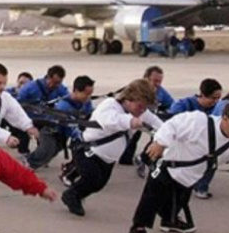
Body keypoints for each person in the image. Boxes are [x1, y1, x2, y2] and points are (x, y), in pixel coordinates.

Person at [128, 99, 229, 233]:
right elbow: (172, 125)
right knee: (152, 197)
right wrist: (161, 143)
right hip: (168, 166)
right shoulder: (199, 122)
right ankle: (138, 228)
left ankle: (169, 221)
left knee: (174, 205)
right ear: (225, 118)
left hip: (190, 178)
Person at [61, 79, 163, 217]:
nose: (142, 111)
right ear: (129, 98)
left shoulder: (141, 112)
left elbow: (158, 124)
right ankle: (71, 195)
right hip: (88, 151)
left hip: (108, 159)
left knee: (99, 184)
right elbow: (109, 121)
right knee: (92, 179)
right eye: (140, 106)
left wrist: (165, 136)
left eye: (145, 108)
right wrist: (130, 121)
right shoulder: (110, 105)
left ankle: (74, 193)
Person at [27, 75, 95, 170]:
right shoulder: (63, 106)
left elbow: (90, 115)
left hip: (63, 133)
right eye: (86, 94)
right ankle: (26, 164)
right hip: (50, 130)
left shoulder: (86, 102)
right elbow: (70, 128)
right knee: (46, 150)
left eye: (90, 94)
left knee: (53, 151)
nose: (88, 97)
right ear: (75, 91)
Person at [120, 66, 174, 166]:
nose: (157, 84)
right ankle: (125, 158)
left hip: (148, 118)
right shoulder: (133, 89)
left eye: (160, 81)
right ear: (146, 79)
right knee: (131, 137)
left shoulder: (161, 91)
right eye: (155, 81)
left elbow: (172, 105)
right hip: (131, 118)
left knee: (157, 135)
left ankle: (145, 158)